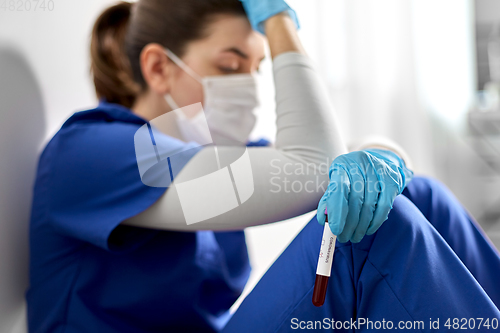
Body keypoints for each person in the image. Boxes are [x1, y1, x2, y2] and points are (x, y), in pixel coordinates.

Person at [25, 1, 500, 333]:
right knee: (364, 233)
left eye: (257, 69)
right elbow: (314, 168)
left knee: (416, 196)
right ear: (157, 68)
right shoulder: (93, 153)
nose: (250, 87)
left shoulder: (211, 160)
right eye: (232, 66)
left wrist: (386, 157)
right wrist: (277, 21)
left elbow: (336, 162)